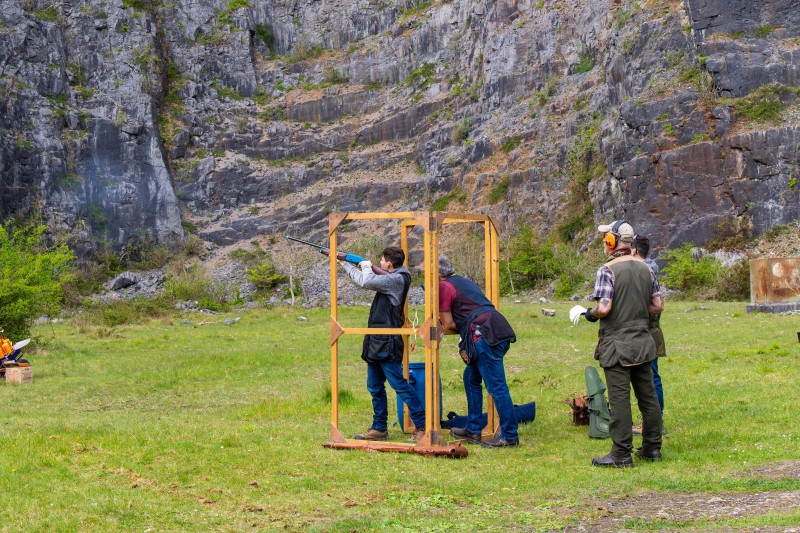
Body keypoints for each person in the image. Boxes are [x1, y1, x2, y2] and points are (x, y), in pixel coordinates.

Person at [573, 221, 664, 467]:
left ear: (613, 242)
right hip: (644, 342)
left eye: (605, 238)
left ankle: (621, 453)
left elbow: (604, 308)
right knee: (648, 397)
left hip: (617, 345)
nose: (603, 242)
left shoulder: (607, 269)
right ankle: (652, 448)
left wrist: (588, 314)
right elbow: (657, 306)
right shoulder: (647, 268)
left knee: (620, 399)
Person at [339, 246, 426, 442]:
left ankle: (422, 426)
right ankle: (379, 428)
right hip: (376, 340)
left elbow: (367, 279)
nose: (379, 263)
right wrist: (345, 264)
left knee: (399, 385)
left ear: (389, 263)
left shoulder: (396, 279)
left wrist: (365, 265)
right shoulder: (390, 277)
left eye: (381, 260)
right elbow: (364, 280)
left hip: (388, 342)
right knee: (374, 386)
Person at [437, 255, 519, 448]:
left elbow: (448, 323)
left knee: (497, 387)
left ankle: (510, 436)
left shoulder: (444, 286)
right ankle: (473, 429)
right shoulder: (462, 281)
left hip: (483, 335)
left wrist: (439, 327)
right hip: (495, 329)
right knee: (471, 378)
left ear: (437, 273)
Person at [632, 235, 666, 435]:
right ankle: (652, 421)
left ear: (635, 250)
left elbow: (654, 305)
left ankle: (653, 424)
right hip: (648, 329)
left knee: (651, 377)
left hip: (648, 330)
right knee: (651, 376)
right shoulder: (649, 268)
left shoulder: (645, 270)